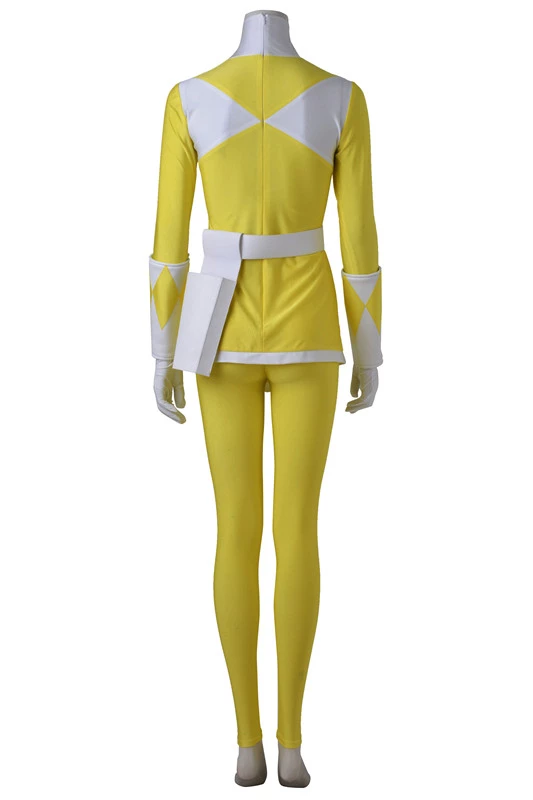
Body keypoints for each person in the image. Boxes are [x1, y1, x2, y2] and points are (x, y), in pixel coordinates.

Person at [148, 9, 383, 788]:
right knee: (296, 531)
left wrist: (161, 348)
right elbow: (359, 236)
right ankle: (287, 744)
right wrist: (369, 345)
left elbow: (167, 242)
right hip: (311, 332)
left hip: (214, 332)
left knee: (235, 532)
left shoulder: (189, 97)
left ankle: (249, 742)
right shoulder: (340, 96)